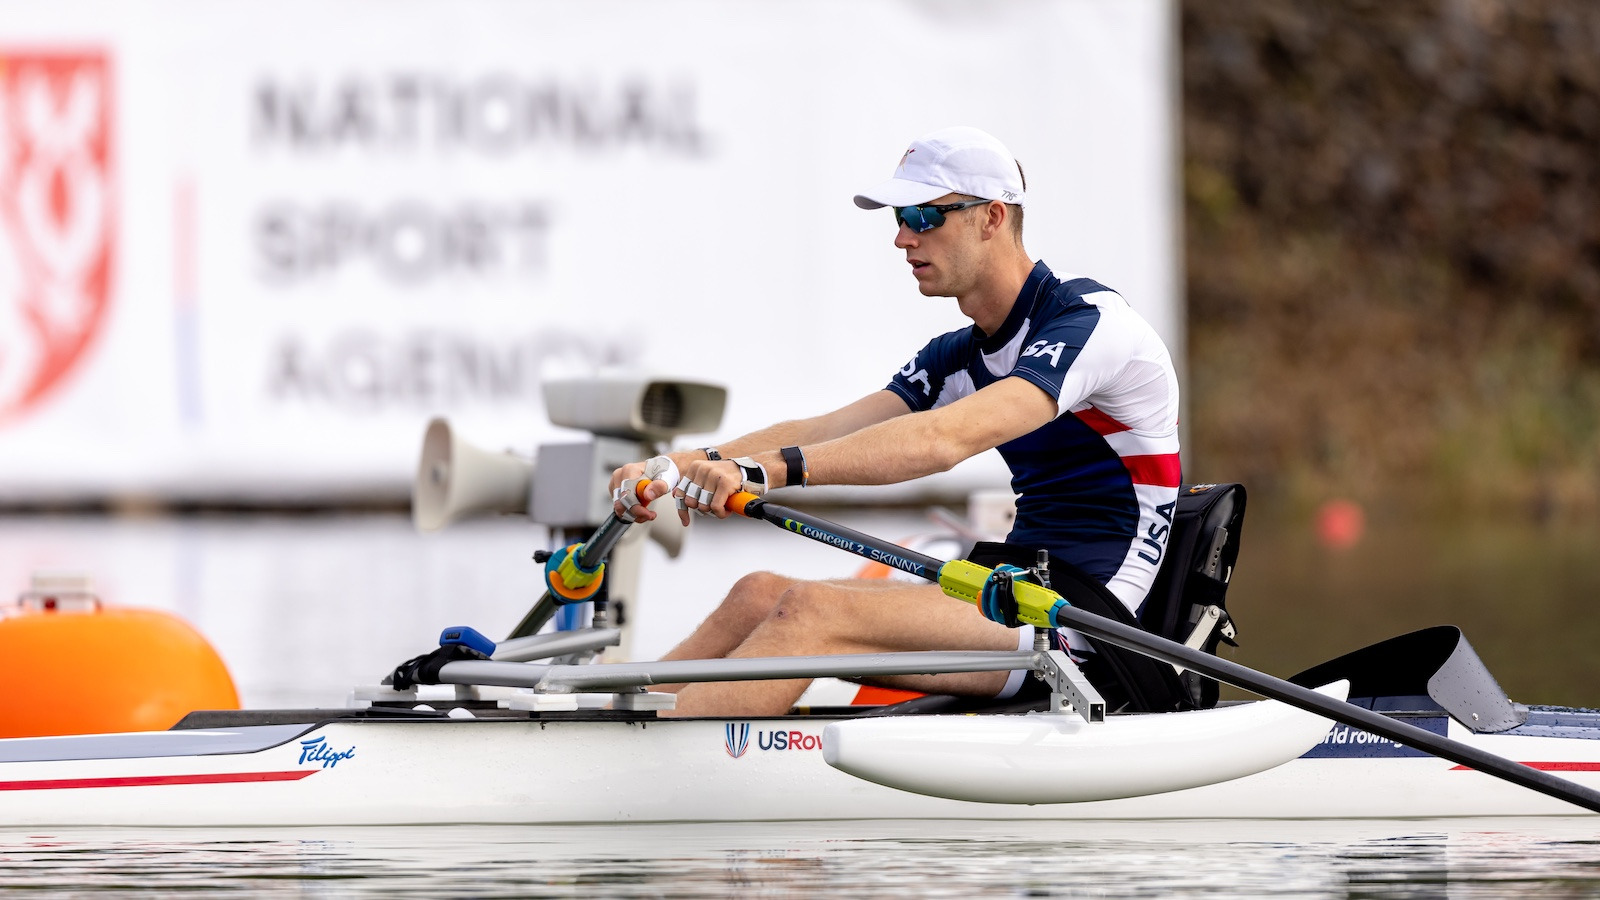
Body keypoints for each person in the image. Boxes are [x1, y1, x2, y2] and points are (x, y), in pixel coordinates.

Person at [610, 125, 1181, 716]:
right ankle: (625, 731)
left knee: (813, 610)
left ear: (990, 217)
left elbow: (943, 440)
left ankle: (656, 780)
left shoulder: (1090, 324)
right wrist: (689, 464)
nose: (903, 237)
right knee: (757, 593)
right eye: (897, 218)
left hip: (1094, 617)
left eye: (922, 215)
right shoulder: (961, 352)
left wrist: (767, 471)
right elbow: (834, 428)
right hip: (1014, 585)